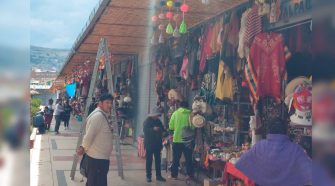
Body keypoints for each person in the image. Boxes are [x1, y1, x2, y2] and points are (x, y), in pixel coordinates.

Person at [235, 104, 312, 186]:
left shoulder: (260, 146)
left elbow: (241, 163)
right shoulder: (295, 149)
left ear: (269, 131)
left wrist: (259, 176)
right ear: (286, 131)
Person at [76, 93, 113, 186]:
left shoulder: (101, 114)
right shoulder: (98, 116)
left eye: (111, 103)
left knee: (94, 182)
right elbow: (89, 135)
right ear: (100, 103)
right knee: (97, 183)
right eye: (107, 102)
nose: (110, 105)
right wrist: (83, 147)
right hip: (96, 159)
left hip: (99, 158)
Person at [169, 101, 194, 182]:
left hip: (177, 139)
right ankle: (189, 175)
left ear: (180, 106)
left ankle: (174, 175)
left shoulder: (175, 113)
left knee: (176, 159)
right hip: (188, 141)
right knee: (188, 159)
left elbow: (171, 126)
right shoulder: (190, 114)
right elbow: (193, 127)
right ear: (187, 106)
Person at [143, 106, 166, 183]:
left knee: (158, 161)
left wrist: (164, 132)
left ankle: (158, 176)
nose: (158, 116)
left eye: (158, 115)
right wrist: (153, 129)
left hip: (157, 143)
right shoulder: (147, 121)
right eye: (157, 115)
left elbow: (162, 129)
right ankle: (148, 176)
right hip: (149, 143)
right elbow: (145, 131)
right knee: (149, 161)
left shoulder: (158, 121)